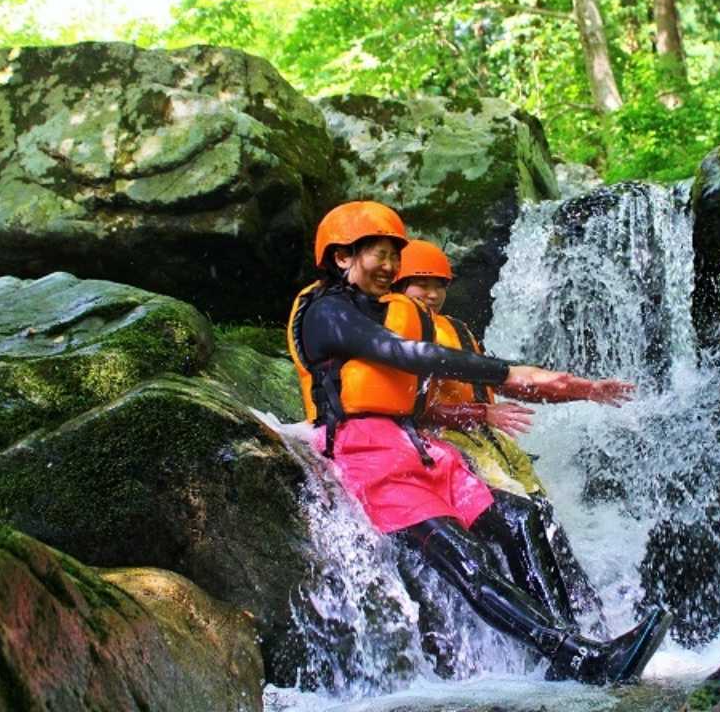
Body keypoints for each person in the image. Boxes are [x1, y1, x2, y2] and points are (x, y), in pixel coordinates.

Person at [285, 201, 672, 685]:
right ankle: (578, 658)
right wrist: (507, 372)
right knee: (470, 559)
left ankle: (572, 648)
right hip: (367, 454)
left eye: (393, 256)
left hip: (418, 450)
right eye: (378, 255)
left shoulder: (383, 310)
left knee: (519, 517)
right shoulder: (326, 314)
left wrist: (573, 385)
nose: (389, 267)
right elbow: (402, 355)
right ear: (342, 258)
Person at [394, 239, 605, 632]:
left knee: (544, 515)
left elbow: (506, 382)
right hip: (450, 439)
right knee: (521, 518)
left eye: (439, 284)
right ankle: (561, 632)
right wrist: (479, 412)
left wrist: (581, 390)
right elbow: (408, 406)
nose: (432, 294)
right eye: (420, 283)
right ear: (399, 285)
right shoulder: (397, 331)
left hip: (490, 438)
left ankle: (592, 620)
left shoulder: (457, 329)